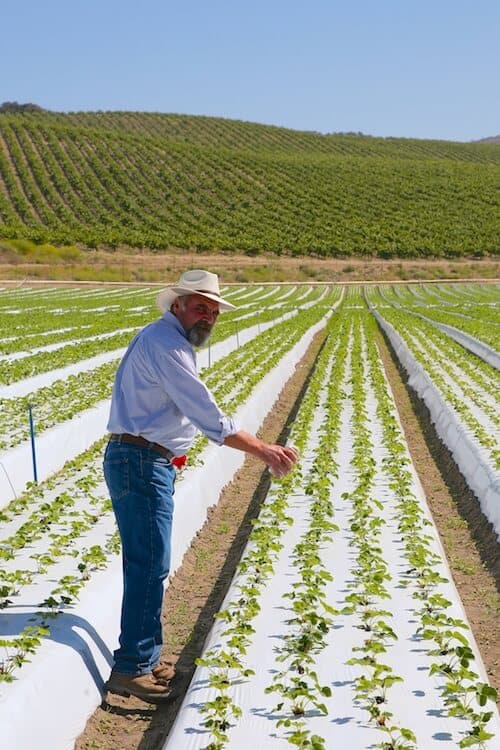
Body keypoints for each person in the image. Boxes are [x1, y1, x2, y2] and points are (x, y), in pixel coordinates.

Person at [103, 269, 298, 703]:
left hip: (142, 458)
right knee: (148, 563)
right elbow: (208, 416)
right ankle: (131, 668)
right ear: (177, 305)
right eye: (199, 307)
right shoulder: (168, 345)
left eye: (213, 311)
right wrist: (264, 449)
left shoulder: (164, 338)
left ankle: (147, 658)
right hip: (139, 461)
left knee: (149, 561)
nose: (207, 317)